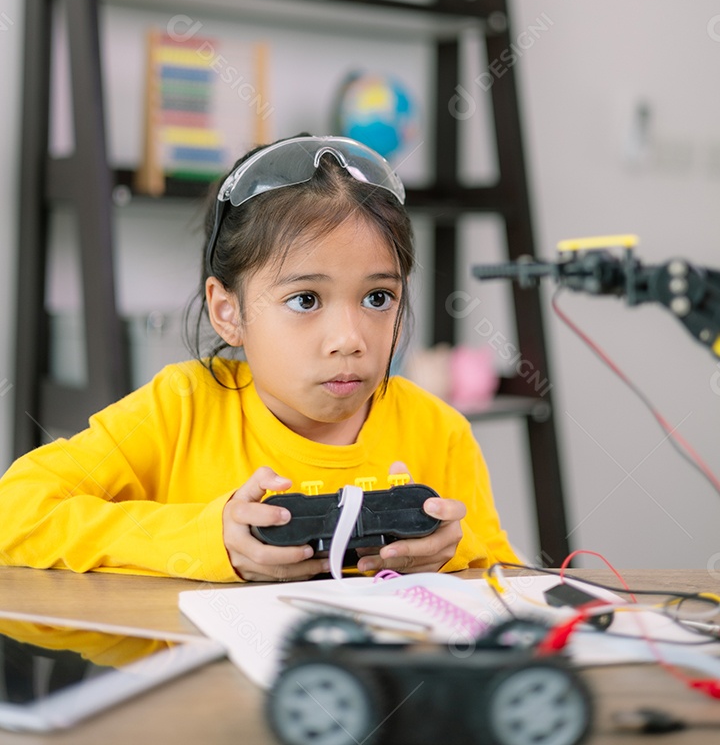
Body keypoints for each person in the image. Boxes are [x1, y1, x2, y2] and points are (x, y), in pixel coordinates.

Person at [0, 135, 518, 582]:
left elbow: (503, 577)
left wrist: (453, 553)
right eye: (306, 300)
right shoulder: (179, 410)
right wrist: (207, 539)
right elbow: (14, 512)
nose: (350, 339)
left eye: (377, 298)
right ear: (229, 312)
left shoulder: (440, 432)